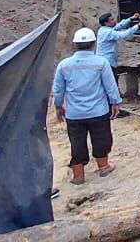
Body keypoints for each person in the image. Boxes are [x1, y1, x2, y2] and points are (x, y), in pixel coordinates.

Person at [53, 28, 123, 185]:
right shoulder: (101, 63)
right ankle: (103, 167)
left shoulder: (64, 65)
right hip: (98, 112)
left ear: (75, 45)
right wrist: (115, 102)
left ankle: (78, 176)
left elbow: (58, 90)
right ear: (94, 44)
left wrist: (58, 107)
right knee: (101, 138)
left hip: (74, 114)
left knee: (76, 142)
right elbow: (110, 86)